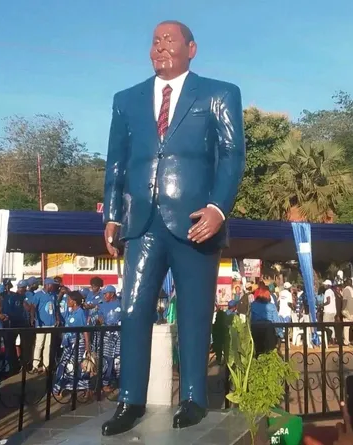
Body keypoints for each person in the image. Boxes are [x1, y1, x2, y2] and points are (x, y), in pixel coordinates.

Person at [101, 20, 245, 435]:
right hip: (142, 221)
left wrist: (218, 208)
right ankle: (130, 399)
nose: (161, 47)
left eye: (170, 40)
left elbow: (232, 154)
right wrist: (112, 214)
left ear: (191, 49)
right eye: (155, 41)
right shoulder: (126, 99)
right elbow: (116, 162)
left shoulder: (219, 93)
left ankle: (194, 397)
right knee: (133, 308)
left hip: (197, 221)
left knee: (195, 311)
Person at [53, 291, 91, 394]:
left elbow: (85, 330)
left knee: (72, 366)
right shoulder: (72, 312)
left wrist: (87, 346)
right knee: (63, 365)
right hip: (68, 344)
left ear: (74, 302)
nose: (67, 301)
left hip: (77, 344)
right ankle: (59, 387)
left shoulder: (80, 313)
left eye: (69, 300)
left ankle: (82, 387)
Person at [98, 285, 122, 393]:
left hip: (119, 335)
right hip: (107, 335)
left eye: (105, 294)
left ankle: (117, 381)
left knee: (118, 359)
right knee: (107, 358)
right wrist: (100, 319)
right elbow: (100, 316)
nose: (104, 296)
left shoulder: (121, 303)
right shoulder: (102, 304)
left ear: (112, 294)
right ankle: (105, 383)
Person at [31, 278, 58, 373]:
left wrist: (57, 319)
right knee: (39, 345)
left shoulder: (53, 295)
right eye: (52, 285)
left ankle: (46, 366)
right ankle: (35, 366)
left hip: (51, 324)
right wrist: (33, 318)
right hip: (41, 325)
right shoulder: (38, 295)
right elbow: (33, 307)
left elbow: (56, 308)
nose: (53, 286)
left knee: (48, 346)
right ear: (48, 285)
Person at [342, 279, 353, 346]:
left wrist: (342, 309)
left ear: (346, 283)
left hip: (347, 311)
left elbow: (345, 300)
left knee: (346, 327)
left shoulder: (345, 290)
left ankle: (346, 341)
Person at [322, 280, 336, 344]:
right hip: (333, 311)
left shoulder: (327, 291)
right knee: (331, 326)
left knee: (325, 326)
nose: (324, 285)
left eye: (325, 284)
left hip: (328, 311)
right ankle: (333, 338)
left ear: (328, 285)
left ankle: (326, 339)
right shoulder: (332, 291)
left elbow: (328, 301)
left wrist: (322, 305)